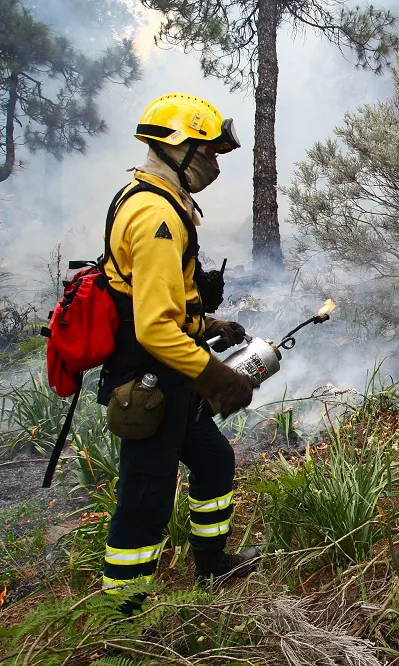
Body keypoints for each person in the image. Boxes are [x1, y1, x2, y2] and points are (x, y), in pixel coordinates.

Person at [97, 93, 259, 600]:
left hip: (173, 375)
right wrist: (221, 378)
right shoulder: (156, 218)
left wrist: (209, 323)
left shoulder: (161, 200)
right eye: (208, 152)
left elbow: (161, 302)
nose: (214, 164)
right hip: (152, 382)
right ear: (178, 147)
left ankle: (211, 566)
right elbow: (154, 329)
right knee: (146, 496)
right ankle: (125, 612)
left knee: (213, 462)